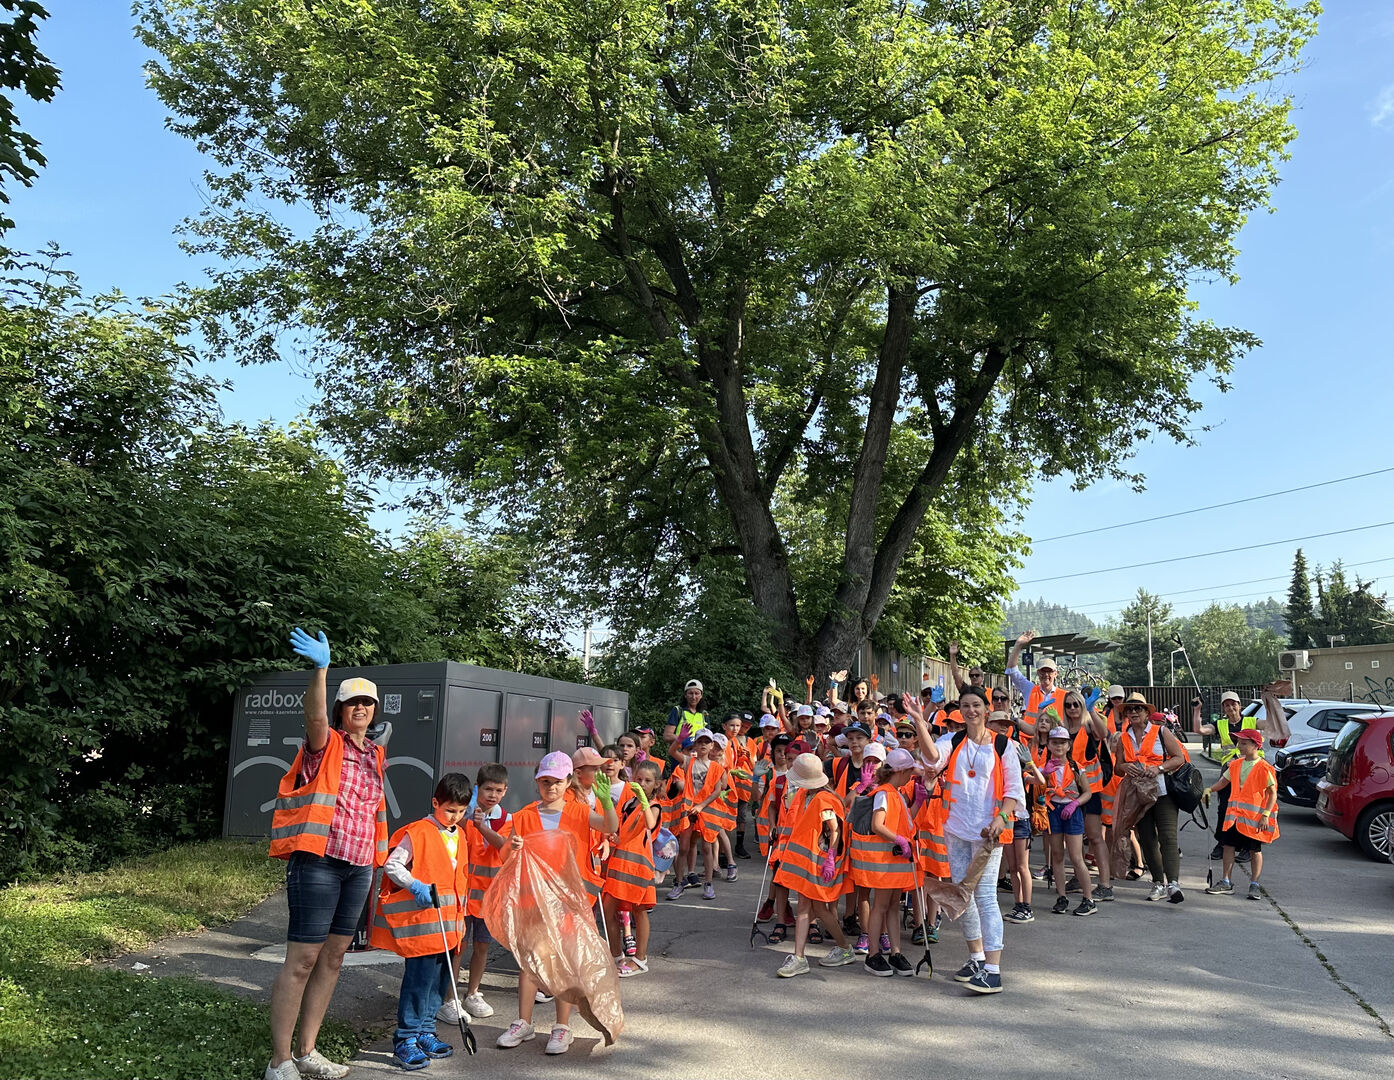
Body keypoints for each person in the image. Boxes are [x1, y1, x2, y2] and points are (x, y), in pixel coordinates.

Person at [266, 629, 388, 1080]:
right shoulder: (327, 743)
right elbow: (314, 718)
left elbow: (372, 813)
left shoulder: (376, 754)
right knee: (301, 960)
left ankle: (306, 1052)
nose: (361, 707)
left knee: (334, 958)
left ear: (375, 711)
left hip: (358, 867)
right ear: (341, 709)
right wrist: (321, 669)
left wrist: (378, 864)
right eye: (353, 702)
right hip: (318, 862)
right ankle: (279, 1062)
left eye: (368, 703)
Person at [496, 751, 618, 1055]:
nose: (551, 787)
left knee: (563, 962)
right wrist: (510, 846)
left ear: (568, 782)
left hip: (567, 902)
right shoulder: (523, 816)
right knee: (530, 962)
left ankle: (562, 1027)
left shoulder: (578, 812)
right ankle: (523, 1022)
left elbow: (608, 826)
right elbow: (503, 856)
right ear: (538, 782)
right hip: (532, 900)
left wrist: (606, 800)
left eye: (557, 781)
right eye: (545, 781)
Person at [912, 685, 1022, 994]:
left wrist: (1000, 818)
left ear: (987, 709)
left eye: (976, 705)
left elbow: (1013, 789)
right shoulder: (953, 740)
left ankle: (993, 969)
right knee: (963, 895)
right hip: (956, 829)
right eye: (966, 705)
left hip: (988, 833)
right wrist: (921, 722)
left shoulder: (1004, 745)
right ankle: (975, 957)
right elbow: (932, 759)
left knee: (986, 896)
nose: (971, 710)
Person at [371, 773, 474, 1070]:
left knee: (438, 985)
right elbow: (392, 865)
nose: (455, 816)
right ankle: (405, 1040)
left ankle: (426, 1032)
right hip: (423, 928)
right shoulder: (418, 832)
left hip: (448, 928)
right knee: (418, 984)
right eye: (450, 810)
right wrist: (415, 885)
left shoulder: (461, 834)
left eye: (461, 811)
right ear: (435, 803)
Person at [771, 753, 858, 976]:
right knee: (808, 907)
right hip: (811, 861)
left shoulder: (823, 799)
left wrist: (830, 858)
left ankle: (840, 949)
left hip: (819, 862)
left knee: (817, 908)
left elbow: (835, 828)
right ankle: (804, 956)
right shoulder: (809, 794)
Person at [1110, 693, 1189, 903]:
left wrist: (1159, 768)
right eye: (1130, 709)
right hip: (1137, 796)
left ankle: (1173, 883)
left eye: (1138, 708)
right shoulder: (1123, 738)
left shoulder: (1160, 732)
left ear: (1147, 713)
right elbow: (1118, 768)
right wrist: (1124, 766)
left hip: (1163, 792)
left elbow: (1179, 758)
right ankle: (1158, 883)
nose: (1133, 712)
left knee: (1168, 837)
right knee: (1147, 839)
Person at [852, 746, 921, 977]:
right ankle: (873, 955)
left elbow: (901, 822)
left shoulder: (896, 793)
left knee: (891, 906)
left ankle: (895, 952)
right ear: (900, 771)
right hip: (885, 862)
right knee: (881, 906)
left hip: (895, 862)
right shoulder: (885, 793)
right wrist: (900, 839)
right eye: (910, 771)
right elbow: (877, 825)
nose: (912, 775)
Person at [457, 763, 509, 1021]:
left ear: (505, 791)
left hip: (488, 897)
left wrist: (482, 828)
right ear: (477, 788)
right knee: (458, 945)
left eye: (498, 790)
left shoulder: (506, 819)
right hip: (463, 894)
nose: (493, 795)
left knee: (482, 946)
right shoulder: (462, 815)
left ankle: (473, 993)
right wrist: (469, 822)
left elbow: (504, 848)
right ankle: (449, 996)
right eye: (488, 789)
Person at [1202, 729, 1279, 899]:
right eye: (1239, 743)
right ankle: (1226, 882)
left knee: (1254, 850)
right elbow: (1224, 781)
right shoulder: (1235, 764)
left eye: (1244, 743)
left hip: (1254, 819)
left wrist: (1265, 814)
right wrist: (1210, 789)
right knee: (1228, 846)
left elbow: (1272, 793)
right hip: (1235, 817)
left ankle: (1254, 884)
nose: (1240, 746)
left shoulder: (1264, 767)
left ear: (1256, 746)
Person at [602, 761, 661, 976]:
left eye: (647, 781)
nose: (642, 784)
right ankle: (617, 956)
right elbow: (619, 829)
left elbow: (651, 824)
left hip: (638, 868)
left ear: (656, 785)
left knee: (640, 911)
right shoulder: (627, 804)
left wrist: (645, 801)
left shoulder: (653, 805)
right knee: (608, 909)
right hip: (619, 865)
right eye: (638, 779)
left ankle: (640, 959)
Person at [1039, 727, 1097, 917]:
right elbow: (1035, 785)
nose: (1058, 746)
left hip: (1072, 812)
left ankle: (1088, 899)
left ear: (1068, 745)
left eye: (1062, 742)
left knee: (1076, 856)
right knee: (1056, 855)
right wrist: (1044, 775)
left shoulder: (1075, 767)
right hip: (1053, 810)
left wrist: (1075, 804)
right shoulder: (1046, 766)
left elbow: (1087, 792)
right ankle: (1061, 896)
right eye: (1054, 742)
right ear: (1048, 744)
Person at [1006, 631, 1066, 740]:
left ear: (1056, 674)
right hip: (1029, 742)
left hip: (1054, 743)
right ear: (1038, 673)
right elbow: (1012, 671)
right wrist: (1018, 645)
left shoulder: (1065, 696)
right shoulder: (1030, 689)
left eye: (1050, 671)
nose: (1046, 675)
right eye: (1043, 671)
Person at [663, 679, 709, 749]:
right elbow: (667, 736)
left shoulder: (704, 714)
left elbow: (709, 738)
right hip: (679, 754)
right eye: (690, 693)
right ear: (685, 695)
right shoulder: (678, 710)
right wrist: (685, 740)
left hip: (698, 756)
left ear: (701, 695)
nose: (693, 697)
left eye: (696, 693)